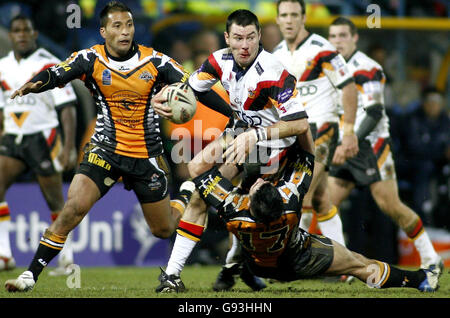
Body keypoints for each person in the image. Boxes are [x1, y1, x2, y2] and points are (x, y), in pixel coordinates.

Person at [4, 1, 231, 293]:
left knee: (163, 230)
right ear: (103, 31)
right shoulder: (90, 58)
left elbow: (197, 88)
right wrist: (36, 83)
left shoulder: (156, 62)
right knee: (72, 209)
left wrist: (231, 114)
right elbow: (57, 73)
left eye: (129, 25)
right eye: (117, 26)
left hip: (146, 157)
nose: (125, 32)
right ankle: (29, 276)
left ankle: (185, 192)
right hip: (105, 151)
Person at [154, 9, 314, 292]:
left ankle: (231, 262)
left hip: (274, 149)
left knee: (211, 198)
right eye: (238, 38)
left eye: (251, 37)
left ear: (259, 37)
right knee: (195, 169)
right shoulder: (218, 60)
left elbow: (300, 123)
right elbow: (192, 89)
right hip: (242, 135)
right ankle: (179, 274)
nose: (245, 45)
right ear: (227, 38)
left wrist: (257, 133)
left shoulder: (274, 73)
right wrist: (164, 99)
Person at [155, 137, 441, 293]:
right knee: (360, 265)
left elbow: (198, 172)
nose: (260, 182)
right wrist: (287, 134)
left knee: (238, 239)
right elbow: (310, 153)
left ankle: (237, 271)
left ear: (249, 202)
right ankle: (420, 281)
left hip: (259, 265)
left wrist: (230, 139)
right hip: (301, 259)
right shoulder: (290, 203)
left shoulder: (231, 208)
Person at [324, 17, 443, 271]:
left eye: (343, 35)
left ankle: (431, 257)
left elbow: (375, 110)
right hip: (345, 144)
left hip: (371, 146)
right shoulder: (329, 69)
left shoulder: (368, 68)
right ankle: (337, 264)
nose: (337, 41)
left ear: (355, 38)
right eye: (333, 36)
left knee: (390, 204)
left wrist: (348, 141)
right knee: (325, 202)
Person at [272, 0, 359, 248]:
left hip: (323, 128)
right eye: (284, 15)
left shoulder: (323, 49)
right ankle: (345, 261)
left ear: (304, 17)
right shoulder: (276, 55)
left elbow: (349, 87)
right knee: (321, 199)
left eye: (294, 15)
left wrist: (349, 131)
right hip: (294, 131)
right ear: (277, 19)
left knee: (301, 191)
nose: (289, 20)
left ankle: (289, 257)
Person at [0, 15, 77, 275]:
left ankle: (67, 261)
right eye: (17, 30)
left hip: (44, 137)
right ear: (11, 35)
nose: (21, 34)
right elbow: (2, 106)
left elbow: (67, 107)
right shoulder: (2, 66)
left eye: (27, 30)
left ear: (34, 34)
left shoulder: (49, 64)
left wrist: (68, 147)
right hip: (13, 138)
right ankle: (5, 255)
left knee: (54, 201)